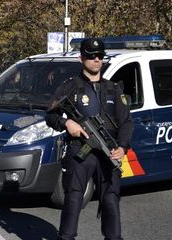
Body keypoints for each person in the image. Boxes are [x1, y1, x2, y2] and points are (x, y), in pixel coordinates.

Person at [45, 38, 133, 240]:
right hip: (80, 149)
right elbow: (50, 115)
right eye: (92, 56)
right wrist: (67, 124)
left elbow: (127, 122)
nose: (96, 60)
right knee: (74, 197)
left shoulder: (113, 89)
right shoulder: (70, 87)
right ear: (81, 58)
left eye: (100, 56)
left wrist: (122, 146)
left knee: (111, 199)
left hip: (108, 151)